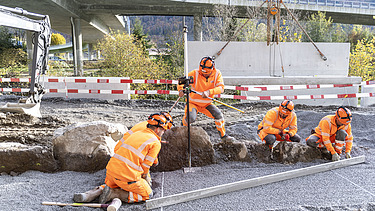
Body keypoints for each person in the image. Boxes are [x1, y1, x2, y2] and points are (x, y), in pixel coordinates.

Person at [73, 113, 172, 204]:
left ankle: (90, 194)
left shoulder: (137, 133)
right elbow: (146, 166)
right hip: (127, 177)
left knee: (117, 182)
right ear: (158, 130)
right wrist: (145, 178)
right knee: (147, 194)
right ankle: (115, 194)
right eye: (164, 130)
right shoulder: (155, 142)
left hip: (111, 172)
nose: (164, 132)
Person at [178, 56, 235, 143]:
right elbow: (181, 82)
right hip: (193, 103)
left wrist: (209, 92)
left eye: (206, 73)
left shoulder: (217, 74)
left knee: (218, 115)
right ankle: (181, 130)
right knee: (190, 118)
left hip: (207, 104)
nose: (204, 74)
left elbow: (221, 88)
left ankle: (224, 137)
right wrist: (181, 90)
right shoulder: (195, 73)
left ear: (212, 68)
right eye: (202, 71)